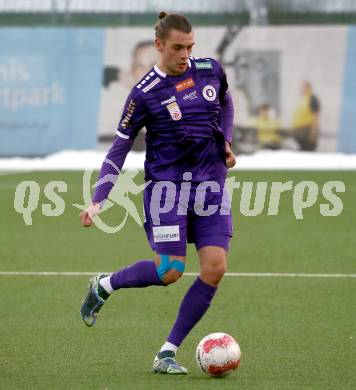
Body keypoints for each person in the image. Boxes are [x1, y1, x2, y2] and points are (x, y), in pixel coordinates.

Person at [79, 12, 236, 375]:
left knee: (215, 268)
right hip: (168, 191)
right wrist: (100, 197)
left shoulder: (210, 70)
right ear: (159, 45)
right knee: (170, 272)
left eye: (190, 46)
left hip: (211, 185)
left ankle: (167, 352)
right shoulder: (144, 94)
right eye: (178, 47)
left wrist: (226, 140)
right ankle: (104, 285)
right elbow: (118, 148)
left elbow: (226, 103)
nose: (185, 54)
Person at [292, 81, 320, 151]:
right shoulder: (304, 99)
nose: (301, 89)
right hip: (301, 132)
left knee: (308, 152)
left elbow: (316, 117)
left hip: (307, 132)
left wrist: (312, 133)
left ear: (308, 88)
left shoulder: (312, 99)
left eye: (303, 87)